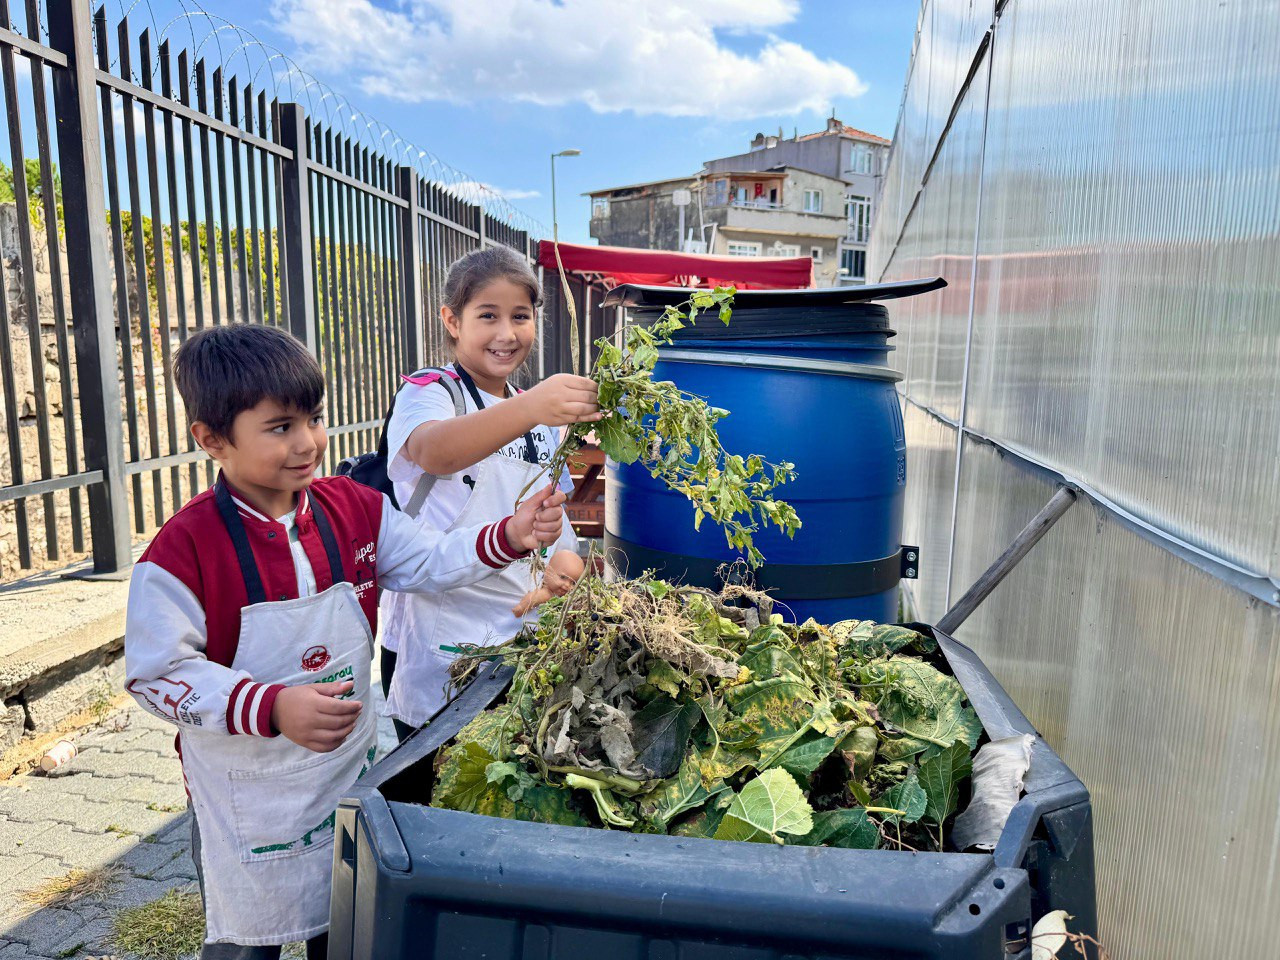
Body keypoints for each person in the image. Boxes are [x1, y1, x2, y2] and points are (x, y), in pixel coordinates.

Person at [123, 323, 566, 959]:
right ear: (212, 439)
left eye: (314, 419)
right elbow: (156, 672)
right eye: (280, 427)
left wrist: (510, 534)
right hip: (249, 798)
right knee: (246, 943)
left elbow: (428, 561)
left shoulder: (354, 508)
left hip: (343, 776)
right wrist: (271, 706)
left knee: (346, 928)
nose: (307, 442)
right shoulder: (184, 550)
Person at [380, 246, 599, 738]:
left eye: (520, 316)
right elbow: (434, 451)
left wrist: (563, 571)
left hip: (519, 640)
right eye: (487, 316)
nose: (507, 333)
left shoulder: (539, 416)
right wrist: (533, 407)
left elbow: (557, 525)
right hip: (439, 641)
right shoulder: (432, 391)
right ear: (452, 321)